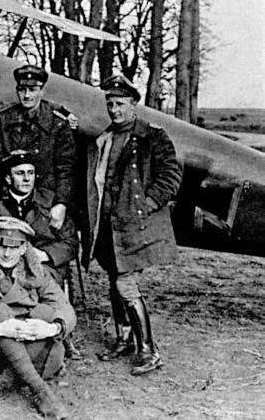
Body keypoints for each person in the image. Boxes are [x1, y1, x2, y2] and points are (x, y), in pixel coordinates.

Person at [84, 74, 182, 375]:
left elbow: (171, 176)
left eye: (121, 104)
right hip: (110, 227)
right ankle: (124, 338)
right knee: (115, 278)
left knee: (126, 283)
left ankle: (148, 349)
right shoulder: (105, 138)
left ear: (133, 105)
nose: (115, 110)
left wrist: (147, 204)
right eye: (110, 104)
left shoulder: (153, 136)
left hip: (136, 226)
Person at [0, 216, 74, 418]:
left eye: (14, 246)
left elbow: (66, 309)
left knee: (45, 313)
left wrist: (51, 328)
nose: (7, 253)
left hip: (37, 349)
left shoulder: (38, 273)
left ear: (23, 249)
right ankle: (41, 392)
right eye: (2, 246)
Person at [0, 151, 82, 360]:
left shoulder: (51, 203)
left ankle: (59, 333)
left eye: (30, 173)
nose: (26, 179)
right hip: (9, 264)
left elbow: (70, 243)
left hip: (46, 266)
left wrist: (44, 255)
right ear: (8, 178)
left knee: (46, 288)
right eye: (20, 173)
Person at [0, 64, 76, 233]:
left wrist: (61, 204)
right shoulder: (2, 120)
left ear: (42, 91)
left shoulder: (58, 124)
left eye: (33, 89)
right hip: (11, 198)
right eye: (22, 89)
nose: (27, 95)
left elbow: (65, 169)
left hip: (46, 200)